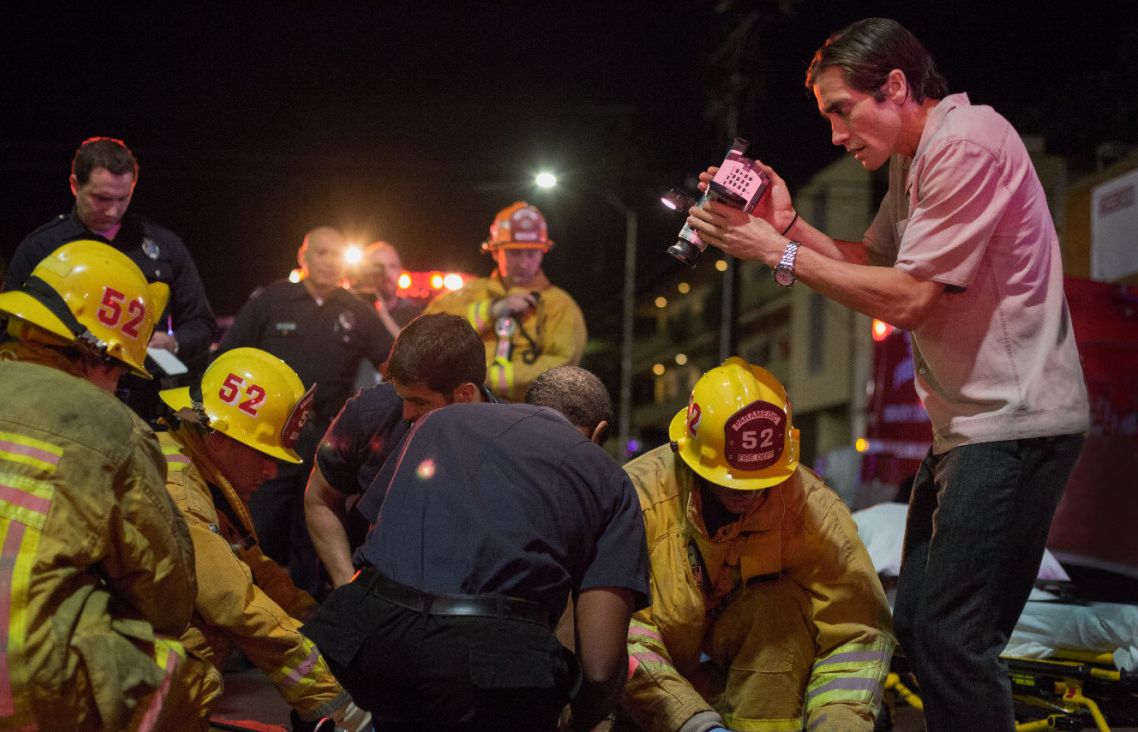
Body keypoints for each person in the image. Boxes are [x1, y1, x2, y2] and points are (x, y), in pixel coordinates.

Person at [685, 18, 1089, 730]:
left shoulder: (967, 143)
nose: (836, 134)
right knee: (924, 627)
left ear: (896, 85)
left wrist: (775, 256)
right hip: (967, 426)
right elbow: (877, 263)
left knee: (955, 638)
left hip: (1012, 423)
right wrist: (788, 229)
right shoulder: (917, 154)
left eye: (842, 109)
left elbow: (909, 299)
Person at [301, 366, 649, 731]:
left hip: (364, 638)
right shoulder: (610, 480)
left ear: (522, 404)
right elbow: (600, 664)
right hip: (490, 671)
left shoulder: (437, 423)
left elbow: (379, 534)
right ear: (600, 433)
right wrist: (583, 719)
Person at [621, 358, 894, 732]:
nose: (750, 496)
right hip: (645, 706)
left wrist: (839, 725)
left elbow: (856, 631)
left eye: (763, 481)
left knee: (778, 607)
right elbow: (620, 633)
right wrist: (691, 722)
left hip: (753, 694)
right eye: (735, 484)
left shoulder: (812, 510)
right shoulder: (637, 501)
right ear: (693, 457)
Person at [0, 240, 196, 730]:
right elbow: (165, 594)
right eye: (122, 372)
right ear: (99, 359)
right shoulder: (116, 428)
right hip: (26, 689)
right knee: (184, 671)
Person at [156, 347, 370, 731]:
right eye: (262, 454)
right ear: (219, 437)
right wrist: (335, 704)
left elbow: (254, 568)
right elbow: (236, 603)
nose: (272, 471)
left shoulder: (200, 473)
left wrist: (317, 622)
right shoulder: (181, 494)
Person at [217, 225, 393, 595]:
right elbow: (229, 355)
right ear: (304, 257)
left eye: (336, 254)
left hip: (324, 438)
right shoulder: (273, 300)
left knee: (313, 536)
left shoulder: (356, 310)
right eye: (321, 253)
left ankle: (305, 619)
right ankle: (242, 609)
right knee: (257, 527)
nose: (329, 263)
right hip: (266, 436)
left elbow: (393, 362)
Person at [4, 136, 217, 421]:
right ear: (74, 185)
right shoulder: (42, 247)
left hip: (142, 404)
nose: (113, 210)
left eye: (123, 198)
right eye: (102, 198)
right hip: (57, 401)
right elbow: (8, 330)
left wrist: (173, 343)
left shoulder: (163, 247)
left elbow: (201, 324)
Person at [305, 312, 498, 589]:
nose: (406, 412)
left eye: (419, 401)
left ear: (465, 394)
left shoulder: (510, 439)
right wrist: (346, 586)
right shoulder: (368, 413)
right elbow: (319, 500)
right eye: (400, 395)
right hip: (374, 594)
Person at [424, 201, 587, 402]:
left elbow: (562, 364)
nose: (524, 262)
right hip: (466, 411)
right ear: (495, 252)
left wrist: (487, 380)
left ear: (542, 252)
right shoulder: (468, 294)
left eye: (532, 253)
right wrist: (491, 311)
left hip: (527, 415)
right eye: (515, 253)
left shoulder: (560, 306)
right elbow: (429, 337)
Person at [358, 240, 423, 339]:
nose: (387, 273)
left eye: (393, 266)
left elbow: (413, 351)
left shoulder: (413, 314)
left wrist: (383, 316)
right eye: (379, 267)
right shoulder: (354, 309)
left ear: (400, 271)